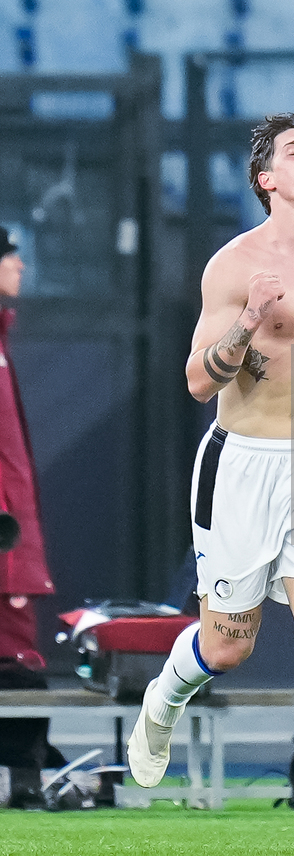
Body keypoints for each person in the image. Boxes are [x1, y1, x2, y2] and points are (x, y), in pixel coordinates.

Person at [128, 112, 294, 851]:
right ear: (266, 180)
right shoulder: (234, 265)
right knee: (230, 645)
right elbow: (195, 381)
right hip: (241, 464)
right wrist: (247, 322)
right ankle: (164, 695)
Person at [0, 226, 66, 803]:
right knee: (18, 660)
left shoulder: (2, 340)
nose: (19, 266)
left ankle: (29, 769)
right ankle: (25, 776)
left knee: (18, 657)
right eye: (9, 255)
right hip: (5, 543)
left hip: (12, 538)